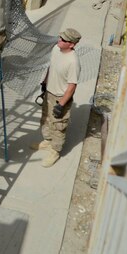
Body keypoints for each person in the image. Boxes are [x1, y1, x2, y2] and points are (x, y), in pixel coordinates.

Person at [33, 28, 81, 168]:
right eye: (60, 37)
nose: (59, 40)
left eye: (64, 40)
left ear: (71, 44)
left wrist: (61, 104)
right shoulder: (56, 49)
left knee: (58, 125)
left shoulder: (73, 62)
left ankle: (55, 150)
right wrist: (45, 82)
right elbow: (51, 67)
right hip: (49, 91)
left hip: (60, 96)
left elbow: (72, 86)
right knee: (46, 118)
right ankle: (48, 140)